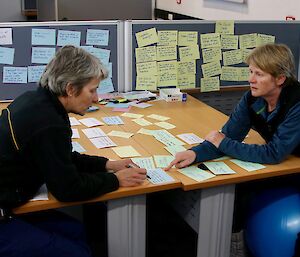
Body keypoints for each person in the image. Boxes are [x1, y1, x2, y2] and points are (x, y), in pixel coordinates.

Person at [0, 45, 147, 257]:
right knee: (77, 253)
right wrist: (117, 180)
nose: (97, 98)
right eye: (92, 90)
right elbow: (68, 189)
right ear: (70, 89)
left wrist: (107, 165)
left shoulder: (36, 100)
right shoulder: (48, 122)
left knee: (77, 230)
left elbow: (61, 157)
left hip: (11, 198)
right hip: (4, 213)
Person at [166, 43, 300, 170]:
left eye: (259, 74)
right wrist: (195, 154)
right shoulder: (252, 99)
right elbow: (229, 136)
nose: (251, 79)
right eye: (251, 72)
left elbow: (274, 153)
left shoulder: (296, 103)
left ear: (280, 79)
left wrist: (223, 142)